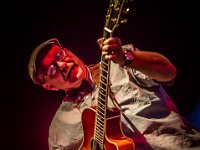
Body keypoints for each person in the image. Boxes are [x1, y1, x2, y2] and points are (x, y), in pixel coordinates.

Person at [28, 37, 200, 150]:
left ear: (69, 51)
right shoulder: (58, 129)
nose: (62, 65)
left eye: (59, 54)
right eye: (52, 69)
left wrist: (126, 57)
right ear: (49, 86)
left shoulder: (118, 61)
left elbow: (169, 72)